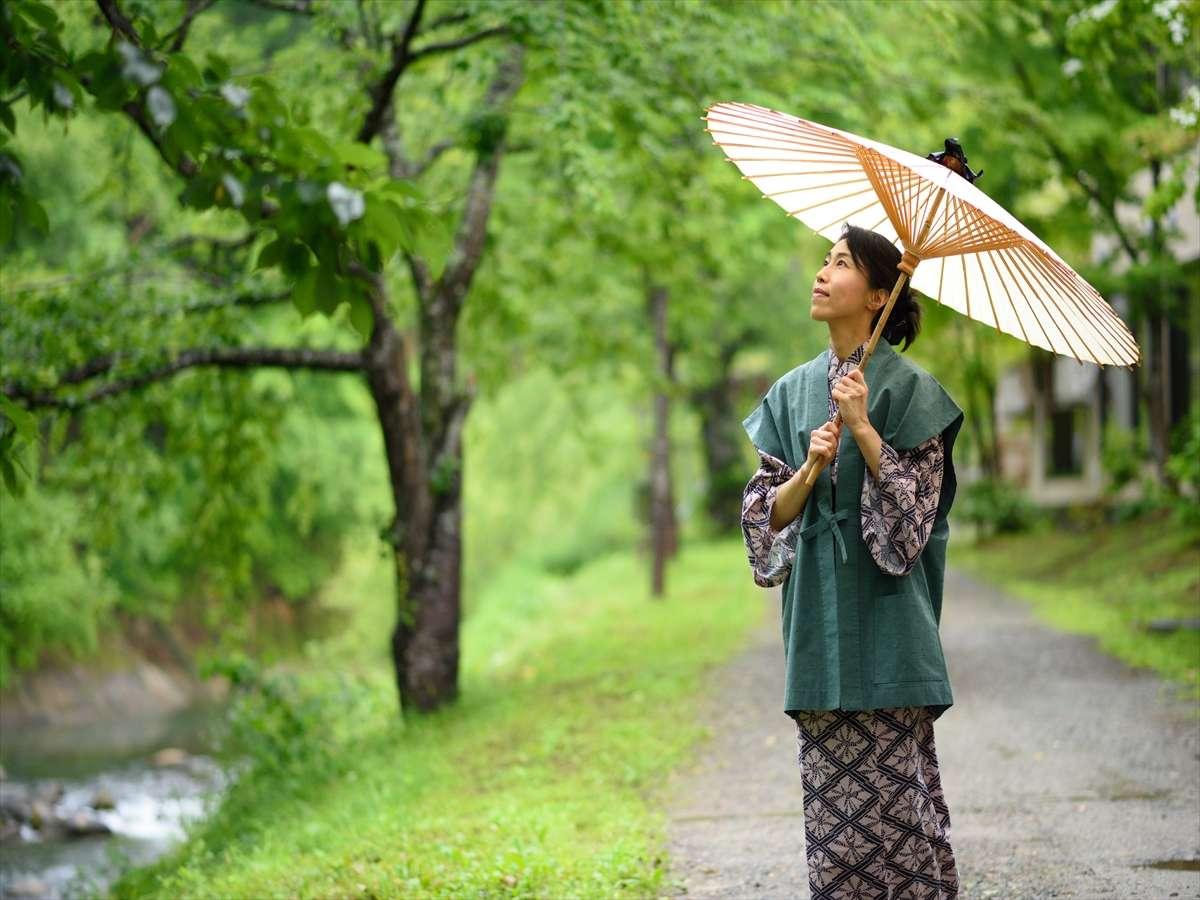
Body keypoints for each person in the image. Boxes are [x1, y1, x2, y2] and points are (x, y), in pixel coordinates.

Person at [739, 223, 964, 899]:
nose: (821, 272)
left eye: (839, 264)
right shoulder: (788, 394)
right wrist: (809, 466)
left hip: (892, 633)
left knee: (903, 821)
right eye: (824, 260)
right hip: (818, 629)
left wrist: (865, 430)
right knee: (834, 839)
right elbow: (764, 522)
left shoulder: (910, 394)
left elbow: (910, 529)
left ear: (876, 296)